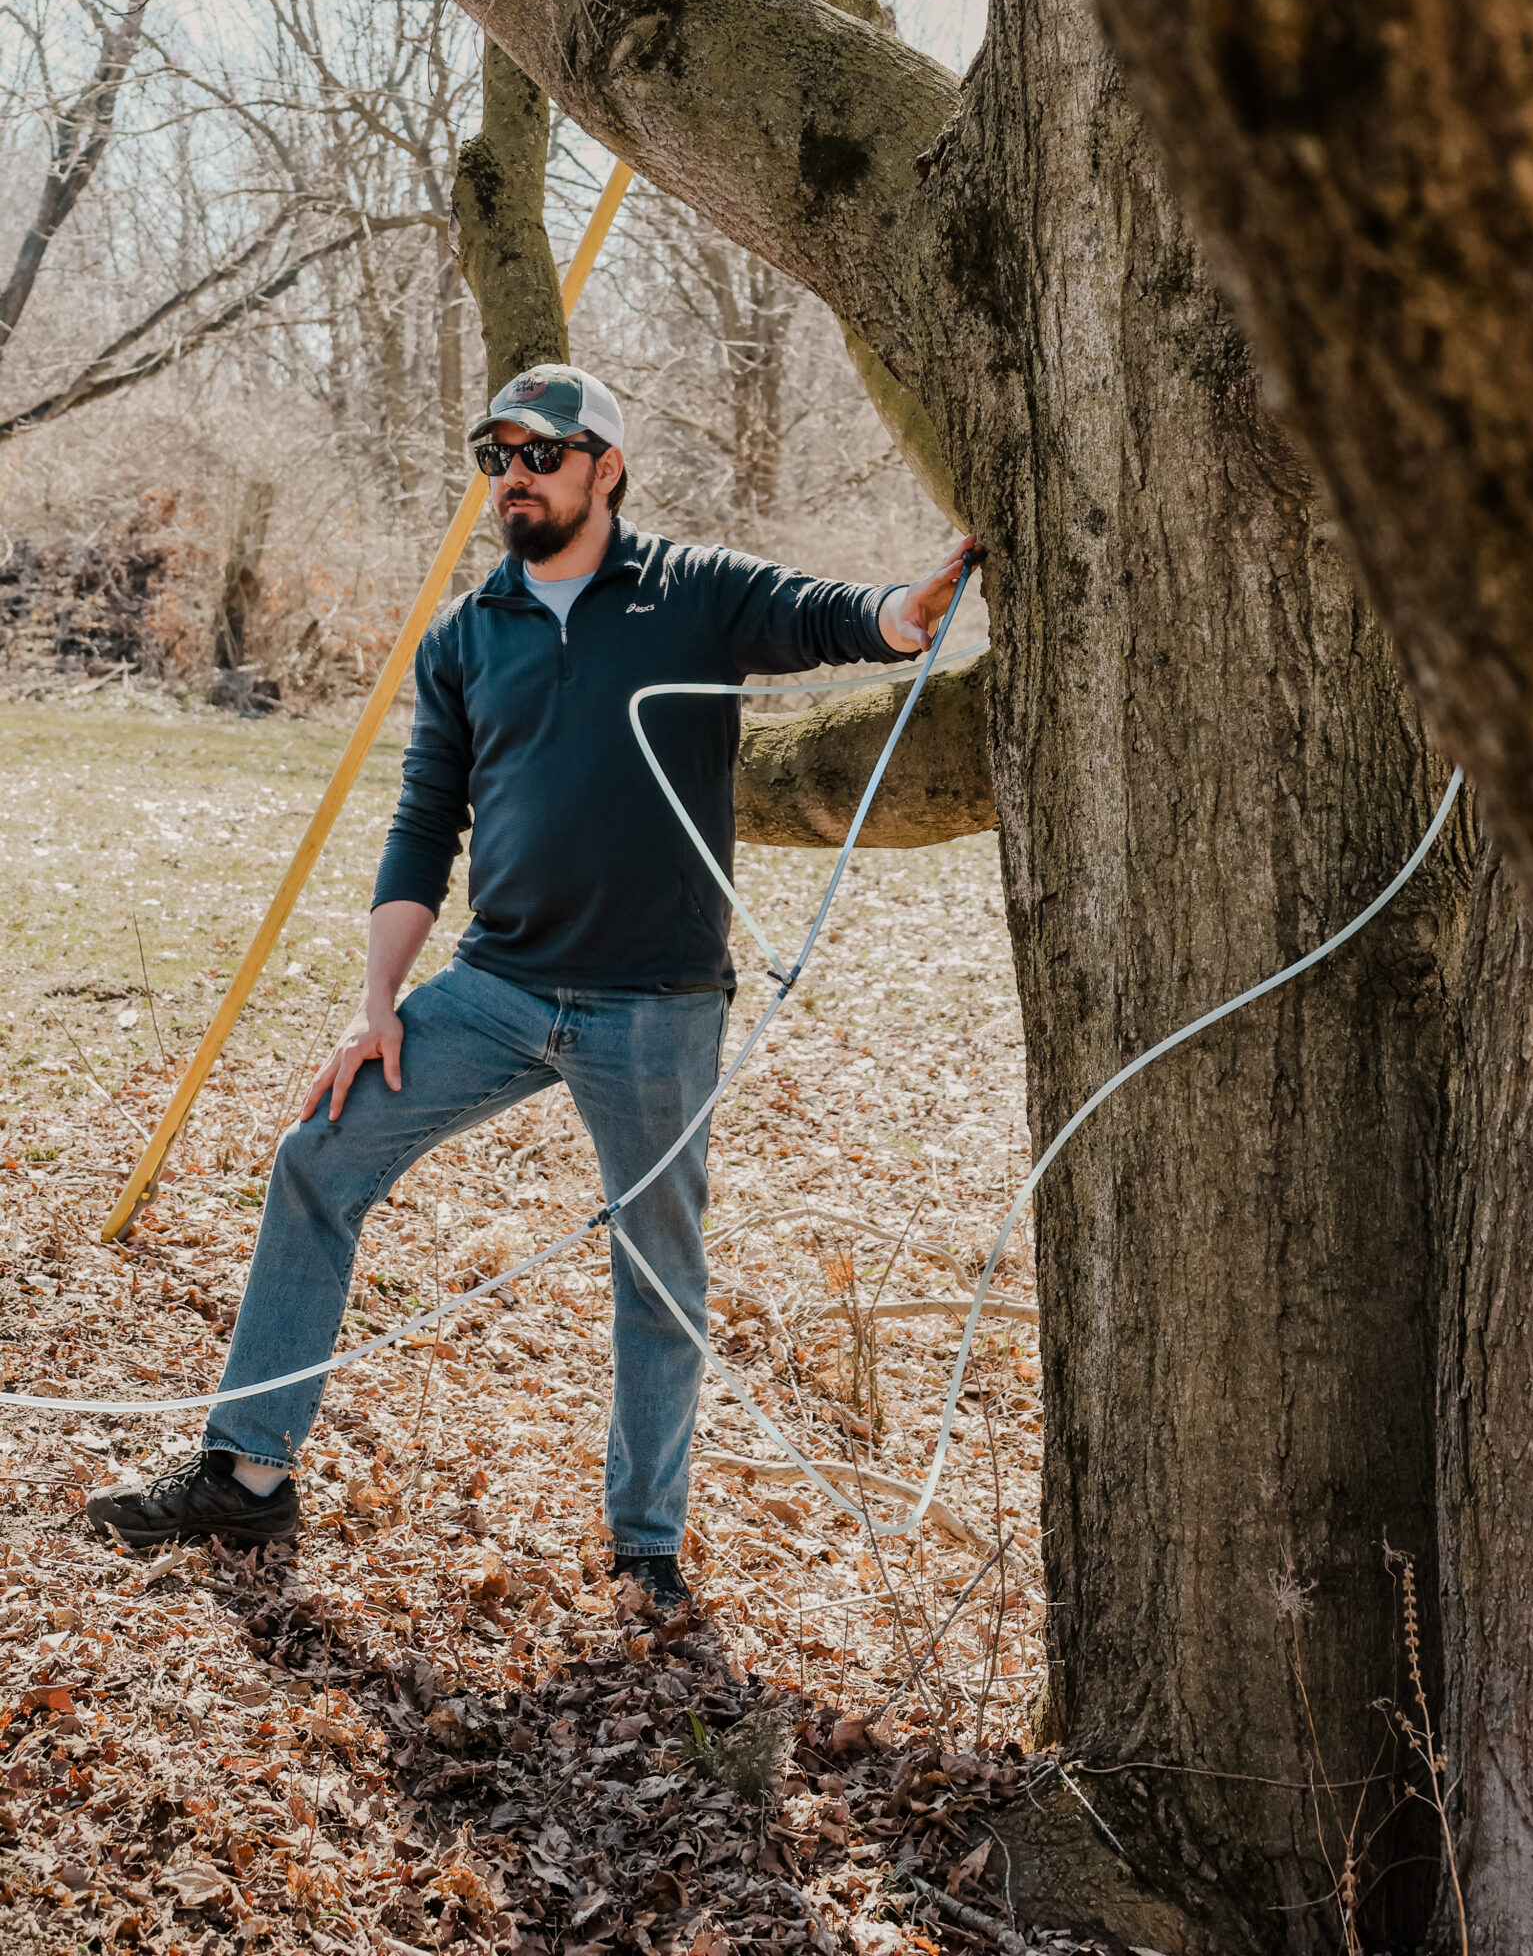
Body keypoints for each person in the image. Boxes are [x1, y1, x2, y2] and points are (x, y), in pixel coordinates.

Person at [89, 364, 978, 1600]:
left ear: (604, 468)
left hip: (656, 1007)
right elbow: (421, 823)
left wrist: (903, 609)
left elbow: (838, 614)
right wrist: (375, 1003)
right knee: (317, 1157)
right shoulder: (466, 635)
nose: (512, 475)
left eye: (539, 453)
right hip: (496, 990)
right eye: (494, 454)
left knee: (659, 1266)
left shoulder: (694, 594)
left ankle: (645, 1545)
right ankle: (247, 1482)